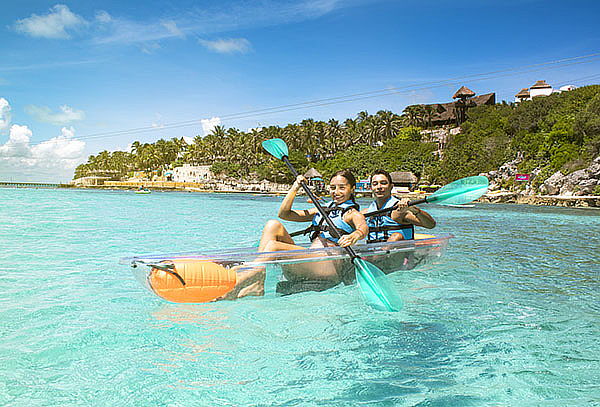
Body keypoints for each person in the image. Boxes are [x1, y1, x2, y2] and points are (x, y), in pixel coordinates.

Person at [220, 169, 368, 299]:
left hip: (327, 266)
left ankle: (252, 273)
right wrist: (295, 188)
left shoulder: (351, 213)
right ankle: (258, 275)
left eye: (342, 188)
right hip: (311, 259)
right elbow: (284, 214)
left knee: (274, 246)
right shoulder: (322, 210)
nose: (336, 192)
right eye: (333, 188)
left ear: (352, 189)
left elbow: (363, 228)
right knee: (273, 225)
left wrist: (354, 236)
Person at [364, 169, 435, 243]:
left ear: (391, 187)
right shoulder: (366, 213)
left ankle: (381, 254)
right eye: (375, 184)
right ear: (371, 187)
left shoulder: (400, 212)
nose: (379, 187)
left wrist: (414, 210)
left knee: (396, 236)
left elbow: (431, 225)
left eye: (383, 183)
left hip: (399, 252)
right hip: (373, 250)